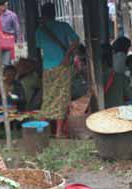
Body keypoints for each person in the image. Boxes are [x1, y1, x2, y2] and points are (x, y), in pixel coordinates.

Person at [36, 2, 79, 138]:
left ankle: (42, 130)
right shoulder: (63, 26)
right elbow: (76, 41)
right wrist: (67, 55)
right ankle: (59, 132)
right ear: (54, 13)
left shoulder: (39, 30)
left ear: (43, 15)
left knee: (48, 97)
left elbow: (40, 49)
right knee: (61, 97)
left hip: (47, 68)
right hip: (63, 66)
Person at [101, 44, 132, 108]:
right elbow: (131, 96)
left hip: (98, 113)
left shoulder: (93, 78)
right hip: (115, 113)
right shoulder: (119, 77)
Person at [0, 2, 21, 66]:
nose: (4, 6)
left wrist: (19, 41)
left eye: (5, 4)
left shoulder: (12, 15)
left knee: (6, 63)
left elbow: (17, 29)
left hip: (7, 42)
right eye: (2, 4)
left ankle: (8, 73)